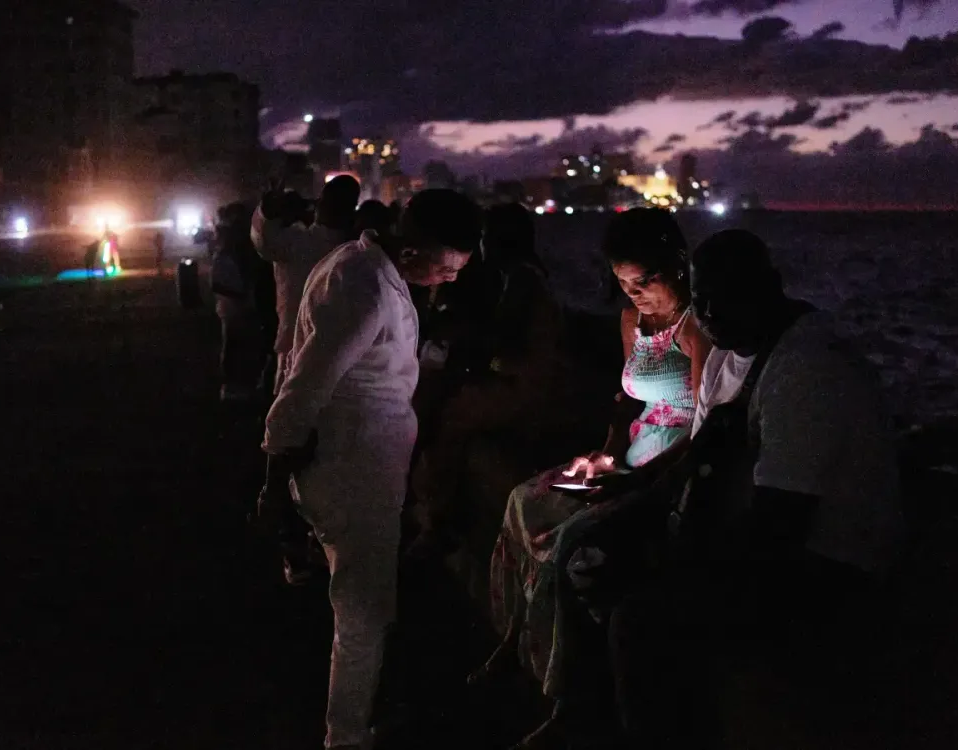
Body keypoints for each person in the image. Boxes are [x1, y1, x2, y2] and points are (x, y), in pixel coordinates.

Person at [556, 229, 903, 749]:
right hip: (758, 541)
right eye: (703, 298)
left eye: (728, 296)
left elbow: (778, 526)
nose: (712, 313)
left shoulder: (805, 368)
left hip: (827, 569)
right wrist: (625, 517)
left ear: (771, 287)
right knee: (591, 554)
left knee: (640, 620)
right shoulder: (728, 352)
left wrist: (668, 565)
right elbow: (694, 462)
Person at [257, 189, 482, 750]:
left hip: (364, 471)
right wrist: (274, 486)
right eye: (447, 267)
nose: (451, 279)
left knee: (367, 608)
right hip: (350, 475)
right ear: (415, 250)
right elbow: (303, 386)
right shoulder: (361, 285)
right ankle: (348, 735)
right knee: (361, 615)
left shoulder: (369, 272)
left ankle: (358, 721)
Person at [475, 209, 711, 739]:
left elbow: (706, 423)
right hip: (632, 450)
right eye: (624, 283)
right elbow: (627, 398)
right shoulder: (632, 321)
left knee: (569, 545)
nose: (634, 294)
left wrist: (640, 479)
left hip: (671, 462)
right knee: (523, 500)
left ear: (675, 266)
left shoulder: (696, 326)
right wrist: (605, 453)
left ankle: (569, 698)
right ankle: (515, 642)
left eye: (644, 281)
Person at [407, 204, 558, 553]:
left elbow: (505, 341)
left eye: (486, 238)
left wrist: (460, 338)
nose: (482, 247)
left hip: (520, 388)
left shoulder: (521, 278)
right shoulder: (527, 275)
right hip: (522, 381)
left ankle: (436, 520)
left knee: (446, 418)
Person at [252, 175, 361, 393]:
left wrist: (268, 211)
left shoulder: (297, 242)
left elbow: (264, 240)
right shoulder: (360, 248)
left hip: (299, 345)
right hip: (335, 352)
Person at [209, 202, 267, 402]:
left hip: (236, 306)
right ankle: (238, 386)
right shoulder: (235, 249)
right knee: (239, 346)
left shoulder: (229, 249)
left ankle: (238, 386)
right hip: (238, 306)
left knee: (237, 346)